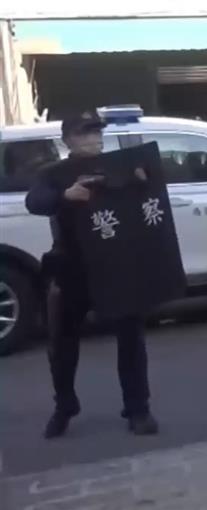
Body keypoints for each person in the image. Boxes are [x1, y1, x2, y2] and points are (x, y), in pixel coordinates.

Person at [26, 111, 159, 439]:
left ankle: (138, 408)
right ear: (68, 139)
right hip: (72, 266)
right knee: (62, 342)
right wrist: (64, 196)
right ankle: (65, 406)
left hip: (117, 264)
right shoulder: (53, 173)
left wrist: (144, 178)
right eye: (85, 133)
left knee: (131, 338)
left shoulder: (120, 165)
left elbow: (154, 186)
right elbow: (35, 201)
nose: (93, 138)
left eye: (97, 132)